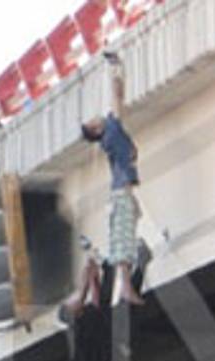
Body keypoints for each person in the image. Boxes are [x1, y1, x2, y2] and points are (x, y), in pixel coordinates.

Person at [80, 50, 145, 306]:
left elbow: (118, 97)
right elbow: (118, 96)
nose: (97, 116)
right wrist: (116, 69)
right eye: (92, 120)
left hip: (122, 190)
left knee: (124, 232)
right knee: (123, 236)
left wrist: (117, 70)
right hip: (121, 191)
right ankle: (126, 286)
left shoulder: (110, 134)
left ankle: (124, 285)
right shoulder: (111, 130)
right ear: (95, 129)